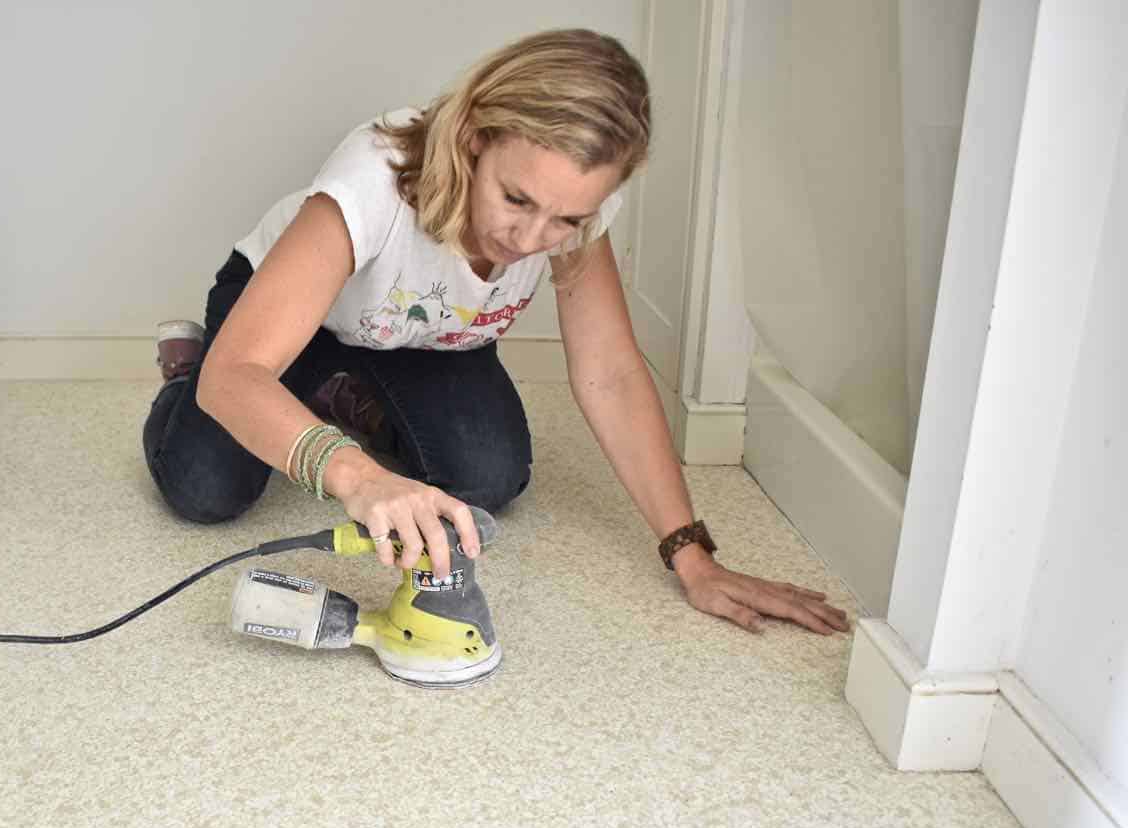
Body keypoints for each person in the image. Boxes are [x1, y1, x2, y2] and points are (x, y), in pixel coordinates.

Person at [142, 28, 849, 637]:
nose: (533, 239)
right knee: (206, 486)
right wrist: (357, 477)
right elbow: (240, 376)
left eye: (567, 220)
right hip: (292, 317)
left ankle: (343, 394)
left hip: (415, 334)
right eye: (517, 199)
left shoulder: (572, 210)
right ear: (475, 140)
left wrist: (692, 555)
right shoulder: (374, 181)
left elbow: (610, 372)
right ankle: (191, 373)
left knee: (487, 477)